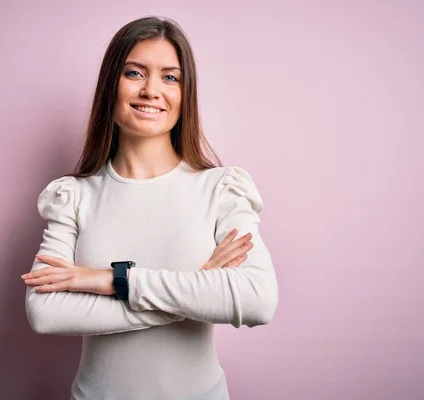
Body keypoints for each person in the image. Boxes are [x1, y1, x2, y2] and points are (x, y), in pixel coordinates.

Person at [21, 16, 279, 400]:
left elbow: (257, 298)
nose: (151, 90)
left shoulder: (221, 189)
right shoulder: (72, 195)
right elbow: (45, 312)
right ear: (112, 85)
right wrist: (194, 293)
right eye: (134, 73)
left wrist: (110, 281)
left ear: (184, 93)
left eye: (170, 77)